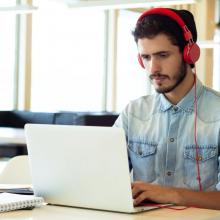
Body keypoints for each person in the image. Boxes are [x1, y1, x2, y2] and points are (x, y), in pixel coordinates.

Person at [114, 7, 220, 210]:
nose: (153, 69)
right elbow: (104, 176)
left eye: (163, 55)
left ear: (189, 54)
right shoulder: (133, 113)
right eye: (145, 57)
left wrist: (173, 195)